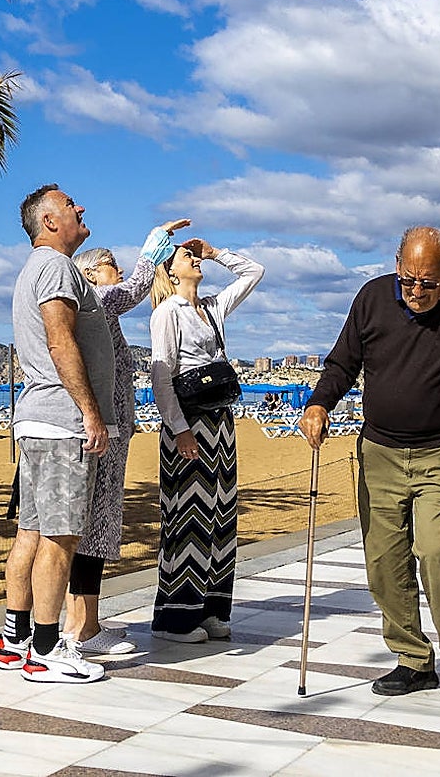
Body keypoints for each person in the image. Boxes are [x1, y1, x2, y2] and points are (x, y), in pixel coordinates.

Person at [298, 226, 440, 705]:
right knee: (384, 561)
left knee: (437, 552)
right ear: (397, 266)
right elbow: (341, 364)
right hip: (379, 452)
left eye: (429, 283)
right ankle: (413, 660)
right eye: (408, 280)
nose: (416, 292)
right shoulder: (373, 297)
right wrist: (318, 404)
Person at [0, 184, 115, 684]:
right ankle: (45, 650)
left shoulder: (35, 269)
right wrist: (90, 410)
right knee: (61, 537)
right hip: (61, 420)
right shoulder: (57, 267)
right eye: (69, 205)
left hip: (38, 420)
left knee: (32, 532)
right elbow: (60, 338)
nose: (80, 207)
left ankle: (14, 638)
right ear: (49, 221)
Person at [62, 218, 190, 655]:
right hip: (104, 430)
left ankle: (86, 622)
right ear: (91, 273)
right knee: (93, 528)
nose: (117, 269)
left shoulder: (95, 311)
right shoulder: (95, 299)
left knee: (94, 527)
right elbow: (136, 287)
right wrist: (155, 241)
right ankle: (81, 628)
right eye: (110, 264)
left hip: (113, 427)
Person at [149, 238, 263, 642]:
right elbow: (161, 377)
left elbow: (254, 272)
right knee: (188, 516)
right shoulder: (168, 312)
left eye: (196, 256)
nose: (194, 260)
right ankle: (176, 618)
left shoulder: (211, 308)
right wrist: (179, 429)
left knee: (220, 515)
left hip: (220, 421)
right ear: (169, 270)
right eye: (187, 256)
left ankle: (212, 607)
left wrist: (217, 253)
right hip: (189, 422)